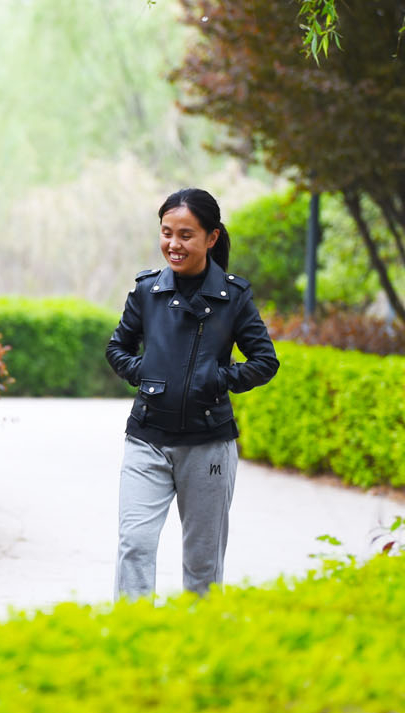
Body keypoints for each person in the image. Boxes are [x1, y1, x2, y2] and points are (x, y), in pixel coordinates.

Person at [105, 188, 279, 600]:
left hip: (208, 445)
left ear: (211, 238)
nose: (173, 244)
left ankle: (197, 648)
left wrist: (216, 380)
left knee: (203, 563)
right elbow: (118, 348)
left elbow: (264, 360)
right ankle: (131, 641)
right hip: (147, 438)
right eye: (166, 233)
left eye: (186, 235)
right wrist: (142, 372)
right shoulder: (147, 291)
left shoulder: (233, 297)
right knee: (135, 546)